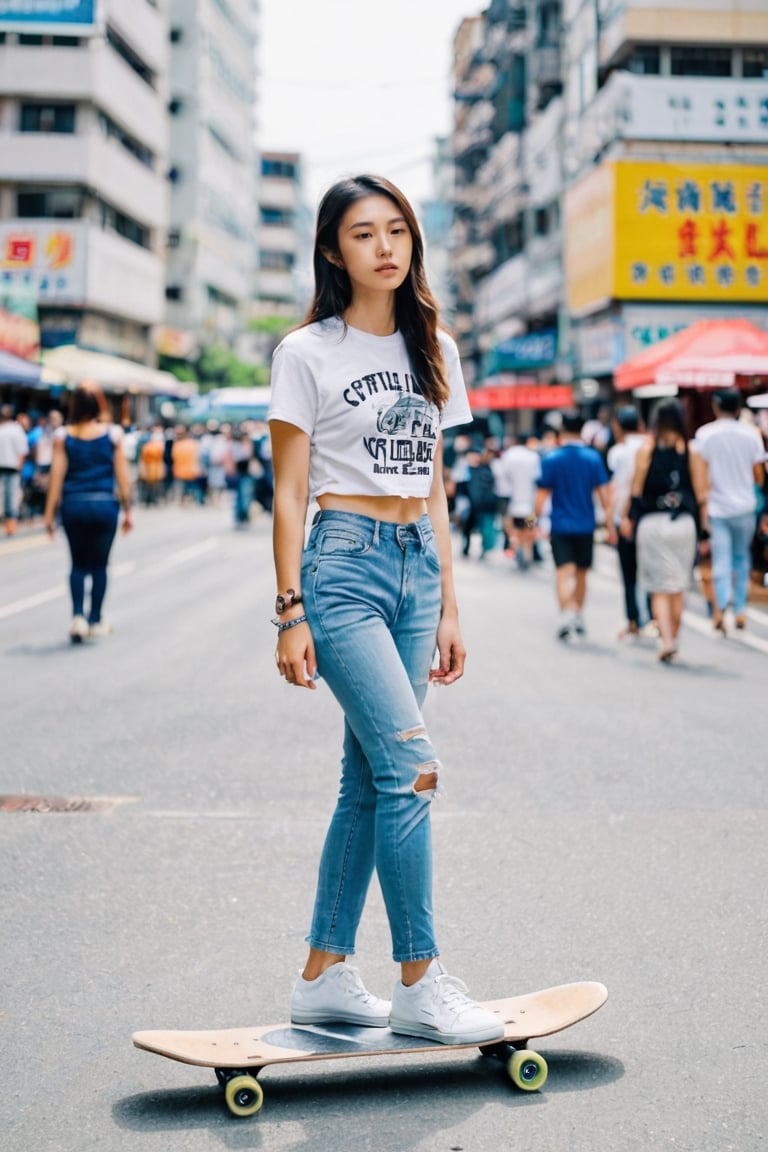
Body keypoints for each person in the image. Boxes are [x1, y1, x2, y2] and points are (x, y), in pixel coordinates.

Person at [267, 173, 504, 1046]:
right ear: (335, 251)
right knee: (411, 768)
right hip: (344, 569)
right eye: (364, 234)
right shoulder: (307, 352)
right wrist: (290, 610)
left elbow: (434, 480)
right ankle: (420, 978)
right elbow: (290, 494)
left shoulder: (433, 343)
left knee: (367, 779)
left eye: (398, 229)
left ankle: (324, 977)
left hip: (415, 570)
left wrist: (449, 603)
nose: (387, 247)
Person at [44, 382, 133, 642]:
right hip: (105, 504)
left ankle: (77, 617)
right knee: (100, 565)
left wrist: (49, 515)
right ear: (99, 404)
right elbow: (123, 478)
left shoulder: (63, 436)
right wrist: (128, 510)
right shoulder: (113, 434)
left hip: (74, 504)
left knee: (78, 564)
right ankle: (95, 619)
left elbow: (56, 478)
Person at [622, 400, 708, 663]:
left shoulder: (645, 453)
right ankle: (676, 640)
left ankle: (666, 639)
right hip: (682, 524)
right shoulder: (692, 453)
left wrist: (626, 519)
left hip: (651, 523)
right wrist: (705, 533)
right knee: (679, 584)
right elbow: (702, 495)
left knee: (659, 586)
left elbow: (634, 492)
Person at [534, 410, 615, 640]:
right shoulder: (593, 458)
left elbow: (541, 497)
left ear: (561, 431)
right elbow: (604, 496)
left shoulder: (551, 458)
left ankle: (565, 614)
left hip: (559, 525)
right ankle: (577, 613)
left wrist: (532, 522)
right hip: (585, 525)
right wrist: (609, 525)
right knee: (581, 573)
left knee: (562, 572)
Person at [692, 389, 765, 633]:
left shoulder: (705, 435)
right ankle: (741, 609)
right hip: (745, 505)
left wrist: (703, 508)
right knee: (742, 558)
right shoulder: (751, 435)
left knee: (720, 560)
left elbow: (700, 477)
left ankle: (721, 607)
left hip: (717, 507)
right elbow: (759, 475)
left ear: (715, 406)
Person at [607, 406, 652, 637]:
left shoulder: (618, 452)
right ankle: (653, 618)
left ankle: (633, 618)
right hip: (649, 515)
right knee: (651, 569)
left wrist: (612, 519)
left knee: (628, 572)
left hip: (623, 516)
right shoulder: (650, 445)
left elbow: (615, 488)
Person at [493, 436, 542, 569]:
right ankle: (527, 552)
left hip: (512, 503)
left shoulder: (508, 456)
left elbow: (501, 479)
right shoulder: (533, 457)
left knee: (512, 528)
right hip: (530, 504)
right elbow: (538, 478)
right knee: (529, 528)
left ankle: (515, 547)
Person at [0, 404, 30, 535]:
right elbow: (23, 452)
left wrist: (19, 465)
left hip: (11, 467)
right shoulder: (16, 430)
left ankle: (10, 525)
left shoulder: (14, 430)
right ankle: (9, 525)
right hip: (10, 467)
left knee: (10, 497)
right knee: (9, 497)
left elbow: (22, 452)